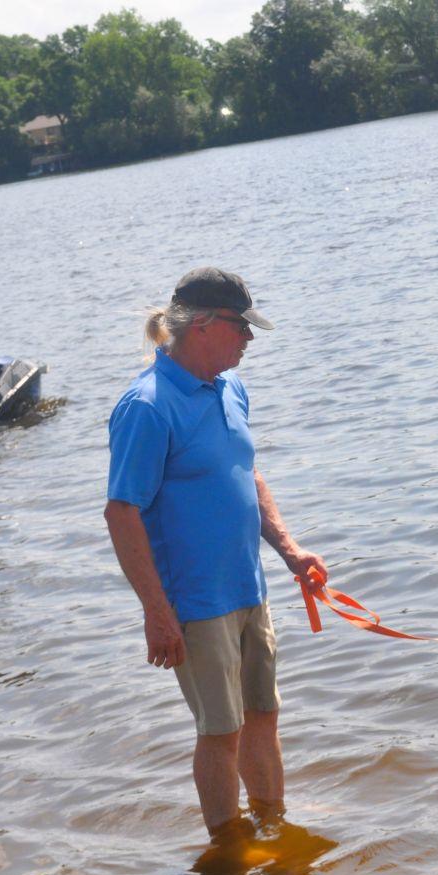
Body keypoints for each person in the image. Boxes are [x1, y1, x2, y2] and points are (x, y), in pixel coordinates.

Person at [104, 266, 327, 840]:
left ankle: (273, 829)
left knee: (264, 718)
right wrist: (157, 611)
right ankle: (229, 855)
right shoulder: (147, 407)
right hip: (195, 604)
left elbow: (246, 474)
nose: (250, 339)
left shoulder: (231, 388)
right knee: (220, 732)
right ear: (202, 325)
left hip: (250, 589)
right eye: (241, 327)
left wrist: (289, 550)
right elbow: (121, 512)